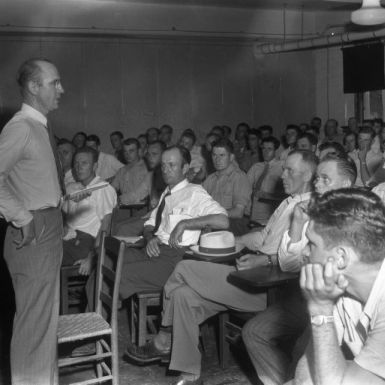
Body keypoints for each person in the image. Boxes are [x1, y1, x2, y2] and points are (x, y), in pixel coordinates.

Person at [125, 150, 317, 385]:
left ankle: (164, 337)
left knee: (185, 268)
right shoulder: (288, 202)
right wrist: (236, 241)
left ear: (308, 175)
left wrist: (267, 260)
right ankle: (190, 375)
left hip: (272, 289)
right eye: (283, 168)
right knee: (184, 296)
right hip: (253, 273)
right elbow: (263, 237)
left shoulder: (311, 210)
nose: (282, 174)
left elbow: (300, 260)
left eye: (289, 170)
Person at [242, 155, 357, 385]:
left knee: (302, 355)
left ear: (345, 186)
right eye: (317, 179)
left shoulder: (357, 217)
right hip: (307, 296)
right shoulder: (310, 209)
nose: (317, 185)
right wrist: (296, 224)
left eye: (326, 179)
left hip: (343, 302)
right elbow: (289, 264)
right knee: (254, 332)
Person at [0, 58, 64, 385]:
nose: (61, 89)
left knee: (44, 324)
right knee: (34, 327)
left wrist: (58, 199)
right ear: (34, 87)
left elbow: (22, 181)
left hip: (47, 226)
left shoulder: (38, 127)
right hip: (34, 233)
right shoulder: (21, 127)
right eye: (55, 83)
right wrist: (22, 215)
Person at [111, 145, 228, 302]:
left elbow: (223, 220)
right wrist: (149, 237)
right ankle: (96, 321)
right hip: (153, 250)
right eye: (163, 165)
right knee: (107, 259)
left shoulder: (195, 193)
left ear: (185, 168)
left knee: (118, 274)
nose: (165, 170)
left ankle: (100, 322)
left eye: (171, 165)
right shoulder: (167, 192)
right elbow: (150, 223)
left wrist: (185, 223)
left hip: (174, 260)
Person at [292, 189, 385, 385]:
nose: (305, 252)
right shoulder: (341, 287)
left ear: (341, 258)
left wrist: (320, 308)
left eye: (312, 244)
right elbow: (305, 378)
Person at [62, 146, 117, 275]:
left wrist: (92, 256)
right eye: (76, 163)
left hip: (85, 244)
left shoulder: (103, 188)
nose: (79, 167)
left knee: (46, 254)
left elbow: (106, 227)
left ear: (94, 166)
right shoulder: (74, 188)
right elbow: (65, 215)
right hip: (68, 238)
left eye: (84, 163)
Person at [202, 138, 251, 235]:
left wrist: (212, 217)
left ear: (231, 157)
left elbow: (238, 212)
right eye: (214, 155)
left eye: (222, 155)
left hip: (234, 226)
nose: (217, 159)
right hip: (213, 224)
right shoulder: (210, 179)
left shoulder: (239, 177)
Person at [247, 136, 284, 226]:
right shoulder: (256, 167)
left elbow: (286, 195)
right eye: (263, 148)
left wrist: (268, 195)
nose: (265, 152)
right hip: (255, 213)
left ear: (276, 150)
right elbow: (245, 188)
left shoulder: (282, 167)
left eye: (269, 149)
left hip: (272, 214)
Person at [111, 138, 151, 205]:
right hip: (123, 208)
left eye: (131, 151)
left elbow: (141, 193)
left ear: (139, 151)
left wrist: (119, 199)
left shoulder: (147, 168)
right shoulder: (122, 170)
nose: (127, 155)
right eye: (125, 151)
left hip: (141, 209)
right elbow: (111, 189)